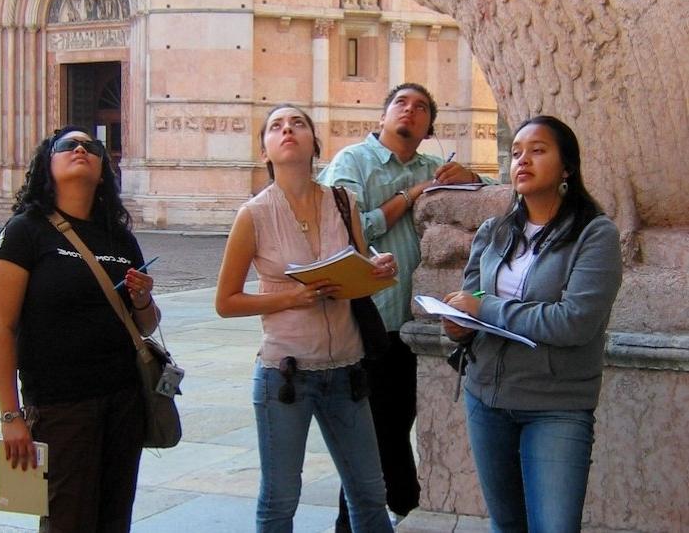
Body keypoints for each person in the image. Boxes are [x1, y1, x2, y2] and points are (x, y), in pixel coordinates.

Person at [318, 82, 495, 527]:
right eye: (401, 103)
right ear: (382, 116)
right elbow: (347, 226)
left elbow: (495, 195)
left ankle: (395, 506)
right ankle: (384, 509)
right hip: (368, 323)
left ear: (428, 125)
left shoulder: (435, 166)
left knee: (395, 427)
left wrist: (471, 179)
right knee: (376, 433)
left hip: (418, 325)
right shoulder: (352, 161)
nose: (410, 111)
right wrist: (411, 196)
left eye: (421, 108)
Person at [216, 104, 396, 533]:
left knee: (370, 493)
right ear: (265, 150)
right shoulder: (253, 214)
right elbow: (226, 301)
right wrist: (292, 298)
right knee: (280, 500)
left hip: (347, 370)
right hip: (286, 375)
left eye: (298, 123)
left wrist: (376, 270)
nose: (288, 130)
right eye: (276, 126)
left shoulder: (341, 200)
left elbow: (358, 276)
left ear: (315, 143)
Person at [441, 115, 622, 532]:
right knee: (507, 527)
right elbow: (471, 300)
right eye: (517, 152)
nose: (522, 160)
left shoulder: (595, 235)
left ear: (567, 167)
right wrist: (456, 323)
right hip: (486, 399)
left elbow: (574, 321)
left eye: (538, 151)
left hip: (555, 406)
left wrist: (483, 310)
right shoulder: (494, 230)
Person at [0, 125, 159, 532]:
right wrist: (10, 416)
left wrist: (142, 299)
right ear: (47, 163)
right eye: (68, 145)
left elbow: (146, 324)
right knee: (68, 519)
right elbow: (2, 328)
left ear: (103, 169)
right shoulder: (24, 231)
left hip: (123, 399)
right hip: (60, 405)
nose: (81, 150)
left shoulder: (119, 237)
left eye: (91, 147)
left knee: (115, 517)